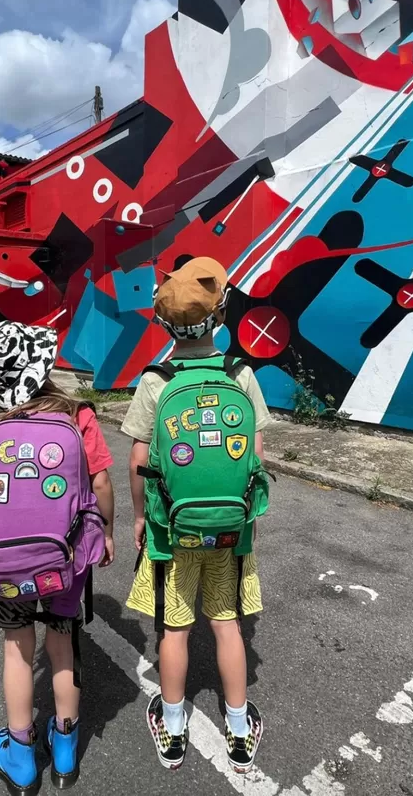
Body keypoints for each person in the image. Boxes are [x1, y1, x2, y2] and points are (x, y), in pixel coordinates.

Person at [121, 257, 271, 774]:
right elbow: (255, 456)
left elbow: (140, 460)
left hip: (172, 532)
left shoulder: (156, 381)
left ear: (165, 324)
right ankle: (237, 724)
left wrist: (140, 518)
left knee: (175, 632)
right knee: (227, 626)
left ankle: (174, 728)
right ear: (221, 317)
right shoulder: (241, 373)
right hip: (230, 530)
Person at [0, 321, 115, 793]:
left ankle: (21, 755)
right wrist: (105, 533)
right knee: (62, 645)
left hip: (5, 563)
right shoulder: (77, 416)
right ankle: (66, 747)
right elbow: (101, 484)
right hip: (64, 560)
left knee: (16, 647)